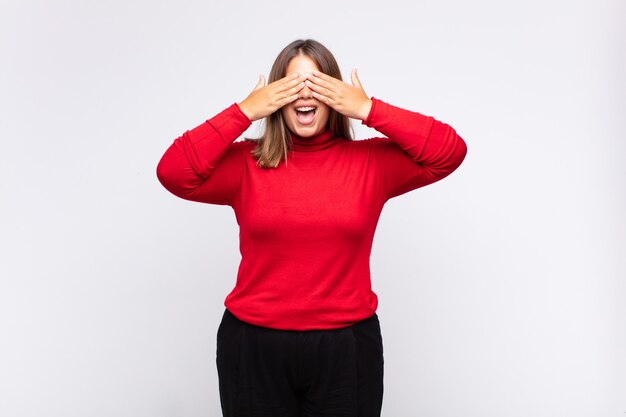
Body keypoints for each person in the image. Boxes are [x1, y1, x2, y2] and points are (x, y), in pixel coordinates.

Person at [156, 38, 467, 417]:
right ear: (276, 97)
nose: (305, 94)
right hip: (254, 346)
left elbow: (449, 151)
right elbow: (173, 173)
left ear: (335, 95)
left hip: (346, 348)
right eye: (292, 85)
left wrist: (367, 108)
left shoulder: (371, 162)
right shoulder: (245, 164)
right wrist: (244, 112)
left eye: (317, 84)